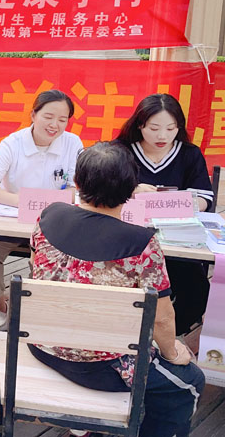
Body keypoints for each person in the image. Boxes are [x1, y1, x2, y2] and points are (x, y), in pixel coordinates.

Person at [29, 142, 205, 437]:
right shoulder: (141, 243)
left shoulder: (49, 216)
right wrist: (172, 353)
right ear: (131, 190)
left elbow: (36, 269)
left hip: (43, 345)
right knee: (189, 381)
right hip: (105, 367)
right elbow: (162, 319)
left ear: (77, 182)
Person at [0, 89, 83, 330]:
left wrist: (48, 205)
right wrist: (25, 202)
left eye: (62, 119)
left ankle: (36, 310)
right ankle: (1, 306)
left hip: (54, 226)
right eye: (48, 117)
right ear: (33, 115)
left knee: (59, 258)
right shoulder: (12, 144)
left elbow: (78, 189)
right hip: (14, 222)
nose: (54, 125)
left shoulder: (73, 143)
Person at [116, 93, 214, 335]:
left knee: (195, 288)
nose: (162, 136)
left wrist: (182, 203)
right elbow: (99, 191)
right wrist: (131, 191)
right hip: (128, 239)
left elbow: (205, 197)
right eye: (154, 128)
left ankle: (170, 335)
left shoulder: (189, 154)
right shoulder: (120, 151)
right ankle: (129, 332)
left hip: (177, 239)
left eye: (171, 128)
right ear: (140, 125)